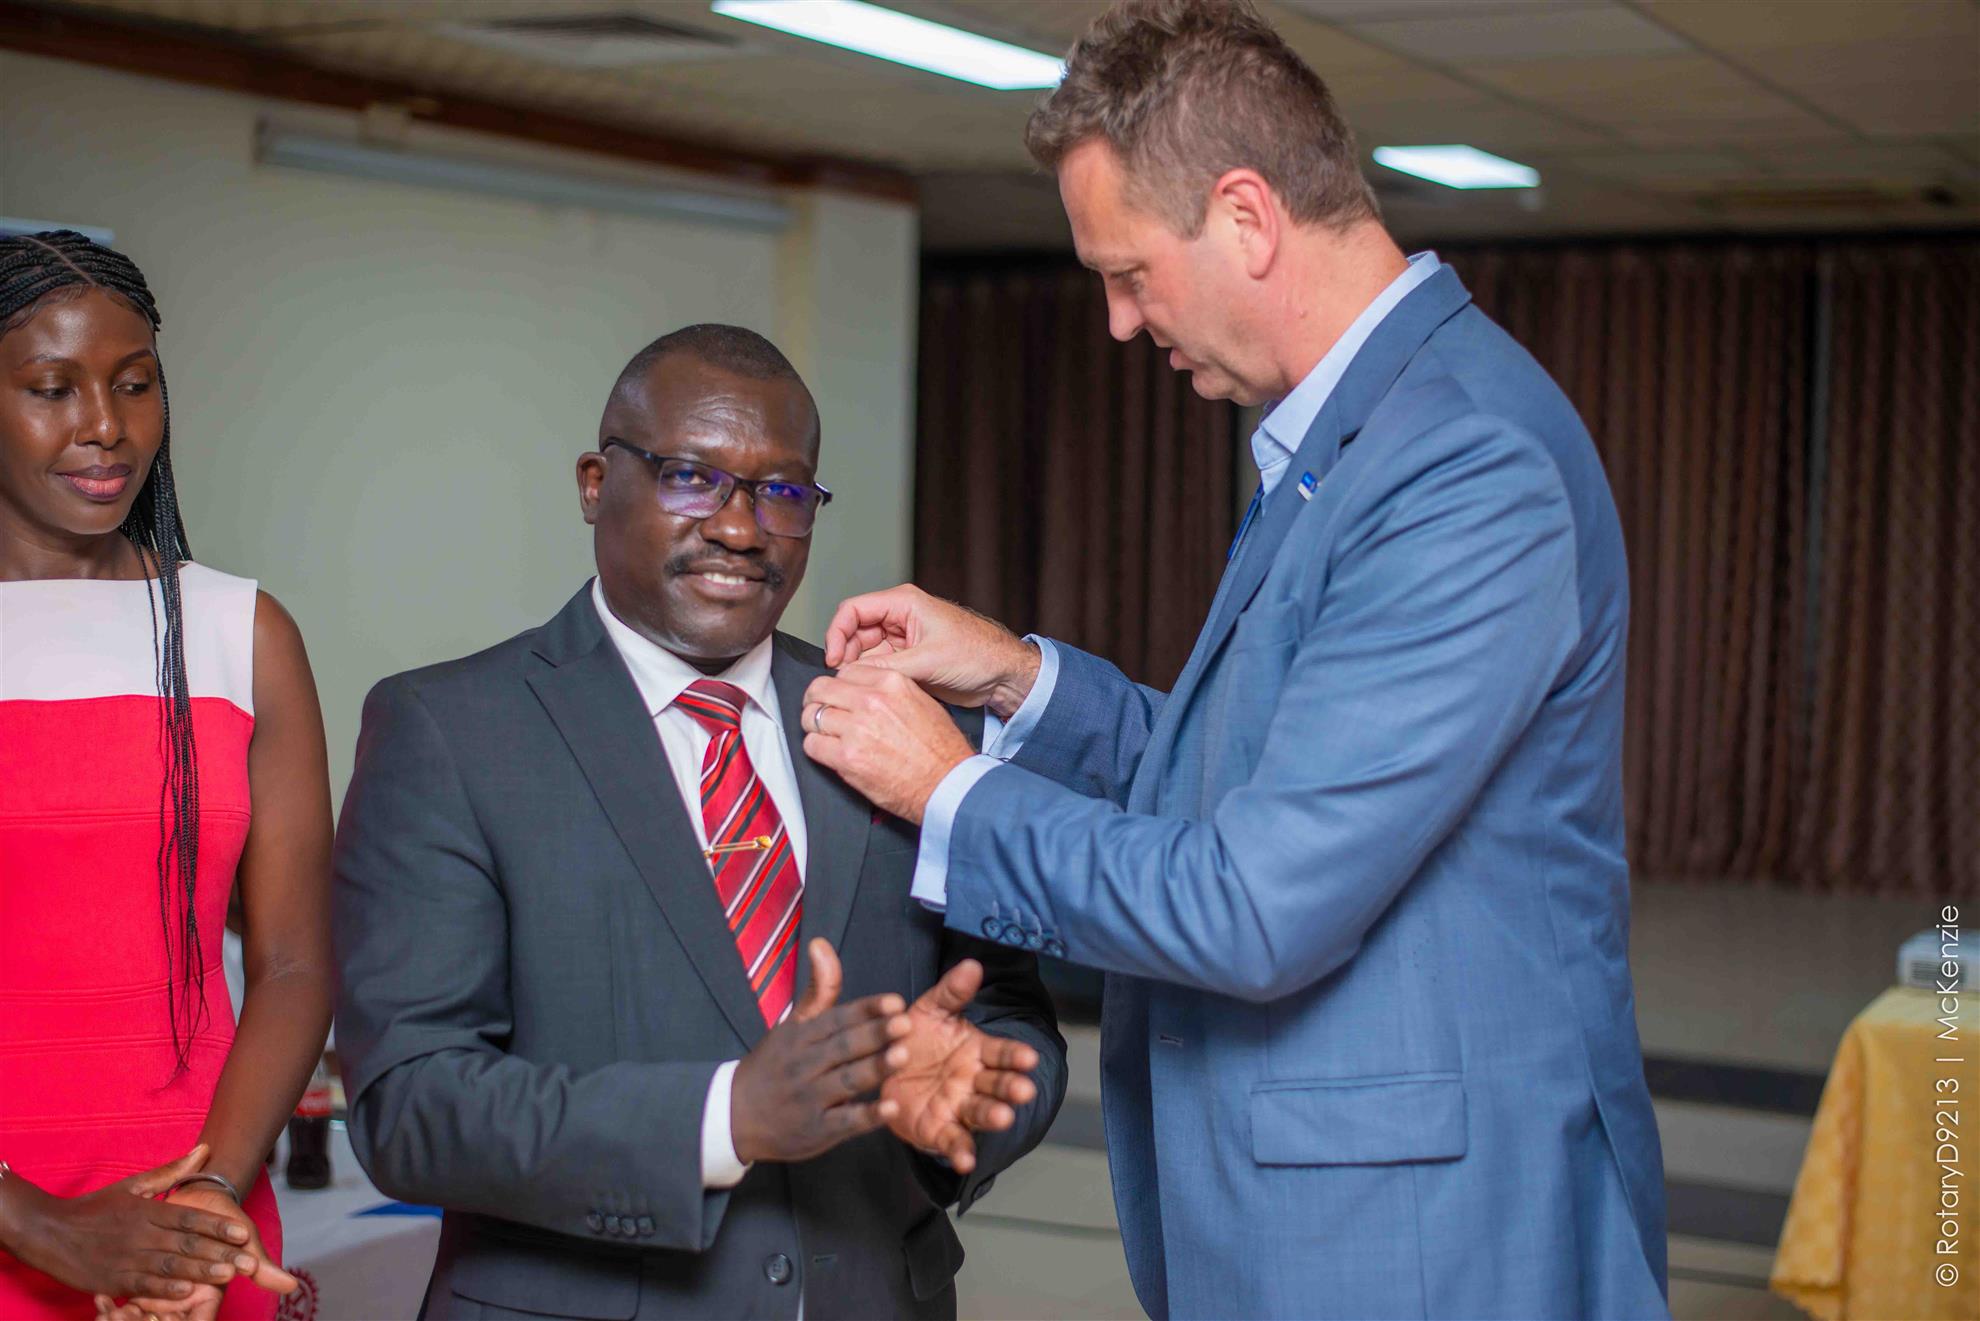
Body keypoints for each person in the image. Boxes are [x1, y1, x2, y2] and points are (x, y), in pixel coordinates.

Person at [799, 3, 1669, 1318]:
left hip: (1420, 1238)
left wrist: (949, 791)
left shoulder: (1460, 464)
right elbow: (1262, 775)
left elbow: (1255, 901)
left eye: (1130, 272)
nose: (1118, 321)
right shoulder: (1358, 432)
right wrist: (1017, 680)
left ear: (1248, 217)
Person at [332, 324, 1066, 1320]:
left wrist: (973, 1102)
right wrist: (726, 1117)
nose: (740, 527)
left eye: (782, 491)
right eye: (690, 477)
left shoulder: (909, 726)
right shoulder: (449, 731)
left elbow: (1010, 1012)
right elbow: (411, 1105)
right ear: (596, 483)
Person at [0, 231, 330, 1321]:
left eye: (134, 383)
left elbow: (293, 965)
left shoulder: (240, 633)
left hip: (196, 1241)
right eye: (52, 388)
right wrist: (39, 1224)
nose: (105, 424)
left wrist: (206, 1201)